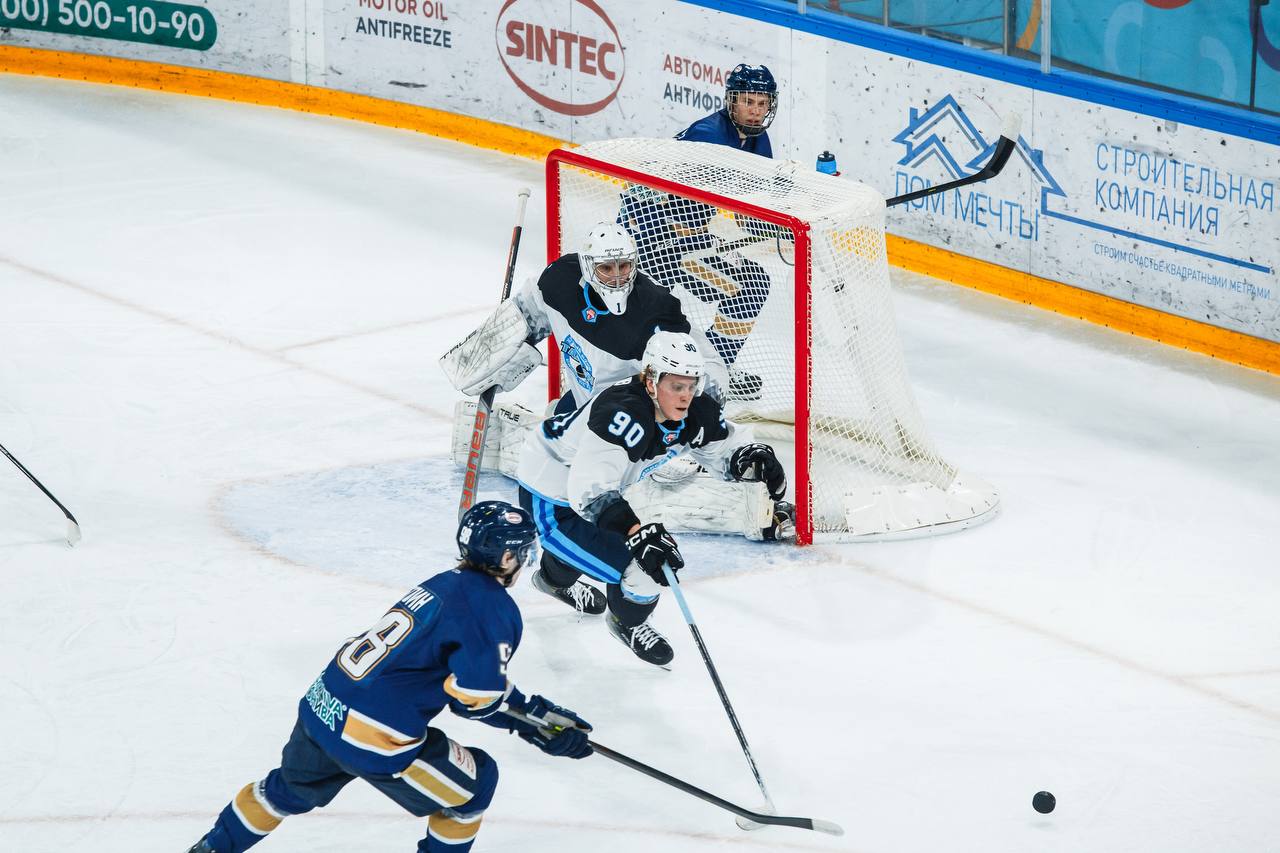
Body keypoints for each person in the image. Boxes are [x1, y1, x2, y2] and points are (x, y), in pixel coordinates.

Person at [186, 501, 592, 853]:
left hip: (322, 707)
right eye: (522, 552)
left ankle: (213, 846)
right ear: (505, 557)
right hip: (374, 737)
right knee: (476, 785)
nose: (524, 559)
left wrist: (531, 713)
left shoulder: (443, 583)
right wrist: (535, 725)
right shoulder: (491, 607)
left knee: (285, 790)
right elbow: (474, 698)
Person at [514, 331, 788, 666]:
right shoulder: (622, 414)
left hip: (587, 492)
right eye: (676, 386)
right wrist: (636, 534)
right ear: (650, 381)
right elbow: (590, 492)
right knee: (645, 565)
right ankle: (628, 622)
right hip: (549, 493)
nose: (685, 396)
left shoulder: (694, 410)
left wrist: (747, 458)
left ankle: (551, 580)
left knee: (606, 544)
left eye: (691, 385)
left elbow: (721, 448)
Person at [620, 64, 782, 400]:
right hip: (649, 234)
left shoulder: (758, 141)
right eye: (748, 101)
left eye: (761, 103)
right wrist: (653, 240)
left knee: (752, 284)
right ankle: (621, 374)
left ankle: (714, 370)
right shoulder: (708, 136)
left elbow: (749, 207)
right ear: (732, 101)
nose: (755, 110)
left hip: (688, 239)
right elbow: (643, 185)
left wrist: (779, 222)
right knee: (643, 318)